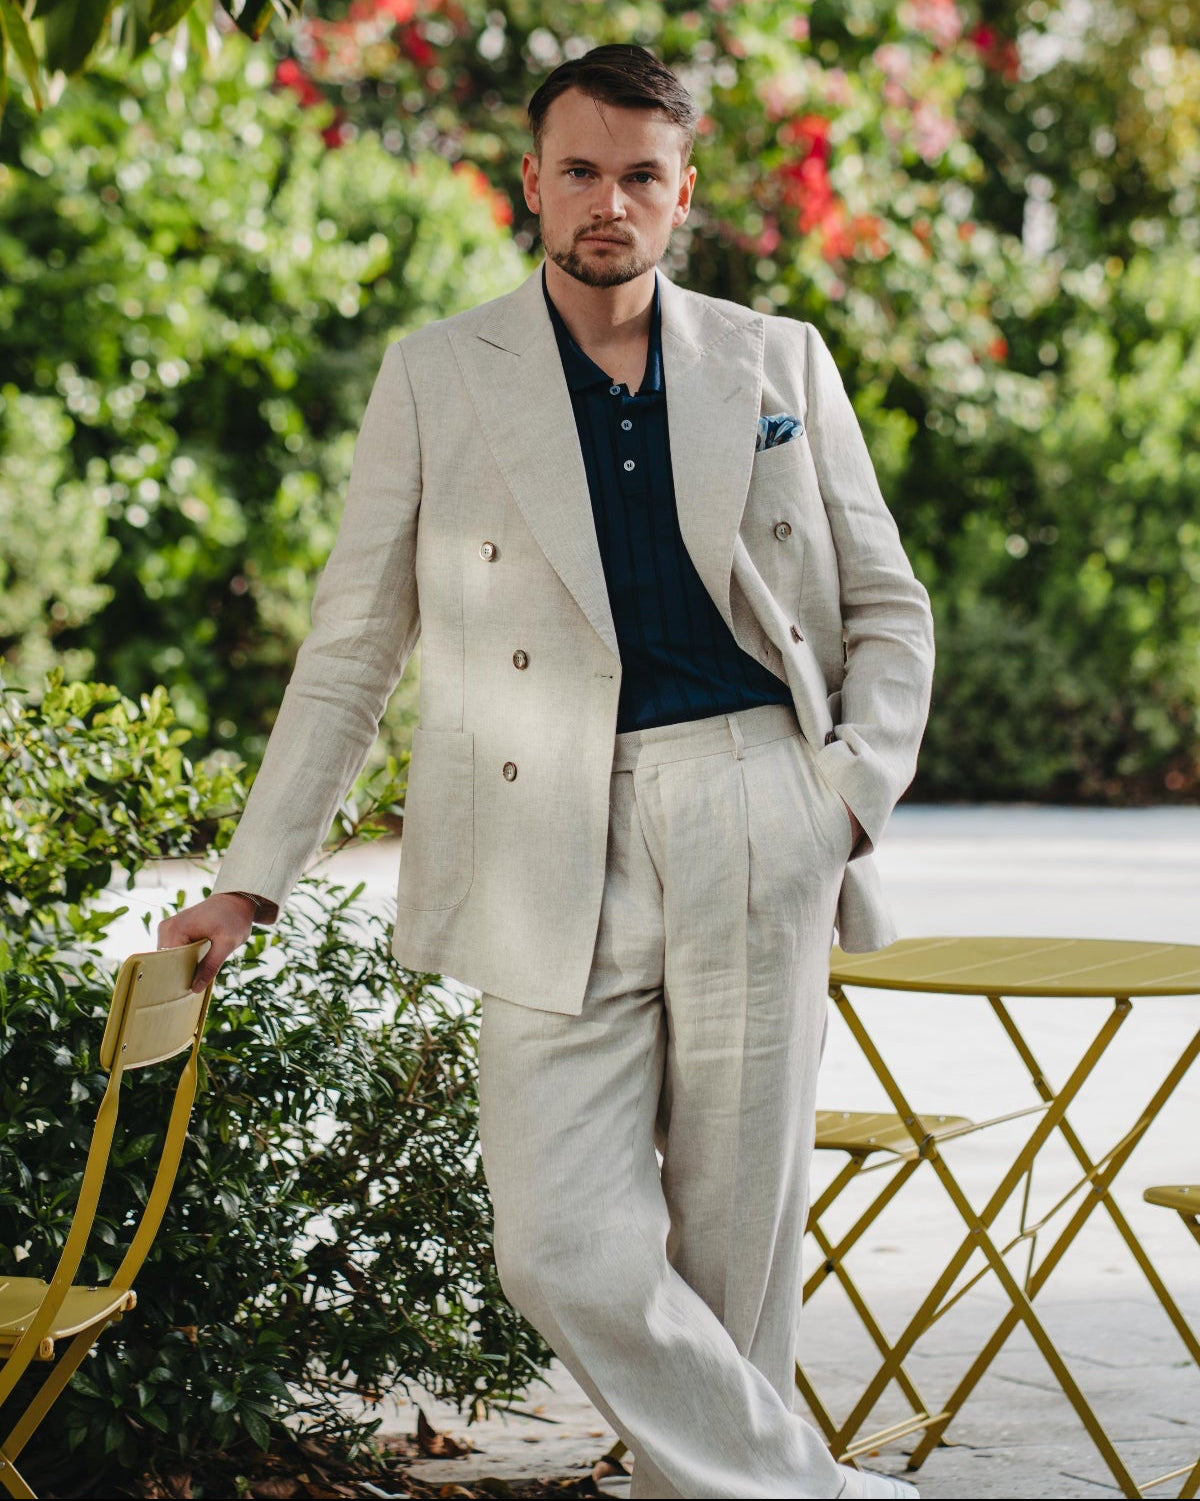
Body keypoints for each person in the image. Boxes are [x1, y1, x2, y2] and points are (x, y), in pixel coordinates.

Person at [160, 43, 934, 1500]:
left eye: (642, 174)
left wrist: (842, 796)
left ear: (682, 191)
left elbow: (891, 609)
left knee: (736, 1258)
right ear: (531, 179)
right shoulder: (438, 375)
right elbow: (351, 648)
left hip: (755, 804)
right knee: (558, 1241)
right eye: (579, 169)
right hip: (538, 832)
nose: (608, 201)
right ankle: (819, 1493)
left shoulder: (778, 361)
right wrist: (250, 882)